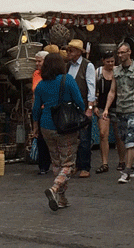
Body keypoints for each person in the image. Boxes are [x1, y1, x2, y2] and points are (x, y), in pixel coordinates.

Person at [31, 51, 84, 211]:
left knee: (56, 162)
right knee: (68, 163)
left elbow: (35, 109)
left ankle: (61, 198)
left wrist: (35, 127)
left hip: (46, 125)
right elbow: (79, 102)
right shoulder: (67, 80)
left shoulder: (41, 84)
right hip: (65, 126)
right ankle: (55, 188)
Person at [106, 40, 134, 183]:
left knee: (130, 140)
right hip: (121, 109)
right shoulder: (116, 71)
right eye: (119, 52)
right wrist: (106, 108)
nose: (120, 55)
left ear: (129, 52)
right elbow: (112, 91)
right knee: (126, 139)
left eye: (123, 52)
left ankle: (127, 171)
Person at [64, 39, 96, 177]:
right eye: (67, 50)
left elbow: (91, 87)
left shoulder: (87, 66)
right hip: (70, 107)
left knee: (84, 138)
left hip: (82, 105)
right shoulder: (67, 66)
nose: (68, 53)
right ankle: (75, 164)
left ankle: (85, 166)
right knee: (72, 137)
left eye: (70, 50)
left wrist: (90, 107)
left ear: (78, 52)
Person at [94, 50, 116, 174]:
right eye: (108, 61)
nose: (110, 64)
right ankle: (104, 162)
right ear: (103, 61)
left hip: (117, 106)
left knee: (119, 136)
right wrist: (95, 105)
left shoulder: (117, 72)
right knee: (103, 134)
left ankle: (122, 161)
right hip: (102, 106)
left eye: (112, 61)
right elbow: (94, 88)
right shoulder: (98, 73)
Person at [30, 50, 52, 174]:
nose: (37, 63)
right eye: (36, 61)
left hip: (49, 108)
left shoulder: (51, 75)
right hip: (39, 108)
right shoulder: (36, 74)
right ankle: (43, 165)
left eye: (40, 61)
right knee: (40, 138)